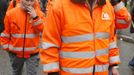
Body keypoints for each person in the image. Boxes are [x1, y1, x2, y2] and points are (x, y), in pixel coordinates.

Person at [39, 0, 131, 75]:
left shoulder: (106, 5)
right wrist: (53, 73)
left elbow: (111, 38)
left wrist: (113, 65)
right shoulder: (59, 6)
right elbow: (50, 43)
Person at [0, 0, 45, 75]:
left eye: (32, 1)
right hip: (15, 54)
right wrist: (8, 48)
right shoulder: (11, 14)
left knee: (32, 73)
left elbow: (44, 30)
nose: (29, 3)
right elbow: (5, 33)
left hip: (32, 54)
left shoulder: (39, 14)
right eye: (27, 0)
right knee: (16, 73)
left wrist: (35, 18)